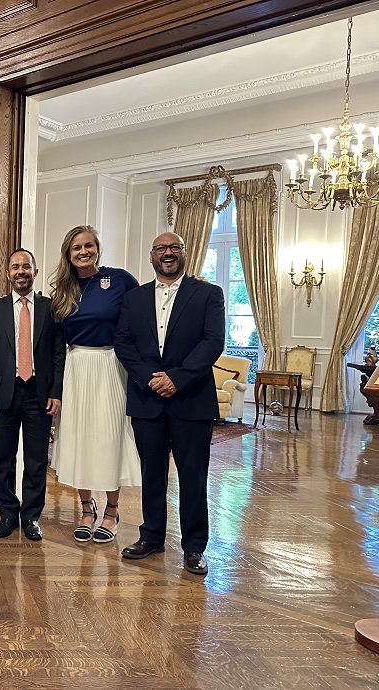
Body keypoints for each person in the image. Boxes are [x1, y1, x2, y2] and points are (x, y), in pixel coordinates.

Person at [114, 231, 225, 575]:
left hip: (191, 400)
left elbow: (212, 342)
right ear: (151, 256)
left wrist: (177, 378)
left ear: (185, 253)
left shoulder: (208, 293)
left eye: (174, 247)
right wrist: (151, 377)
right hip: (147, 399)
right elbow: (123, 342)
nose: (168, 253)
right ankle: (151, 537)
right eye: (161, 248)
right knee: (152, 474)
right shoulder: (134, 298)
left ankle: (194, 547)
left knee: (193, 476)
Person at [49, 226, 142, 544]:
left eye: (89, 245)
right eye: (76, 247)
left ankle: (112, 512)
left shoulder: (120, 280)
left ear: (98, 248)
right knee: (79, 439)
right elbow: (57, 343)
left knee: (109, 438)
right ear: (68, 253)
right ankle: (87, 510)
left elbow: (147, 309)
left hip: (110, 367)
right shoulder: (62, 288)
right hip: (76, 367)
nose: (83, 251)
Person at [0, 248, 65, 541]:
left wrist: (56, 391)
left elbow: (57, 353)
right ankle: (7, 514)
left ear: (35, 272)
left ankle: (31, 517)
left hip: (39, 393)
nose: (21, 271)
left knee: (37, 459)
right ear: (7, 274)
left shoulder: (50, 308)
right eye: (15, 267)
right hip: (4, 394)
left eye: (26, 266)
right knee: (4, 457)